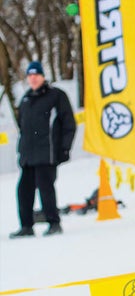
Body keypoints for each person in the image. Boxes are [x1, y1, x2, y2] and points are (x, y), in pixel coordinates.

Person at [10, 61, 76, 238]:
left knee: (46, 188)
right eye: (30, 76)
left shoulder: (55, 96)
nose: (33, 78)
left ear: (42, 76)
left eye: (36, 75)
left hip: (47, 153)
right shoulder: (26, 99)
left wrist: (64, 148)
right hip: (28, 156)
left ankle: (54, 223)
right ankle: (26, 226)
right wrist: (21, 151)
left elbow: (69, 123)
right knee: (23, 190)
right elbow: (22, 126)